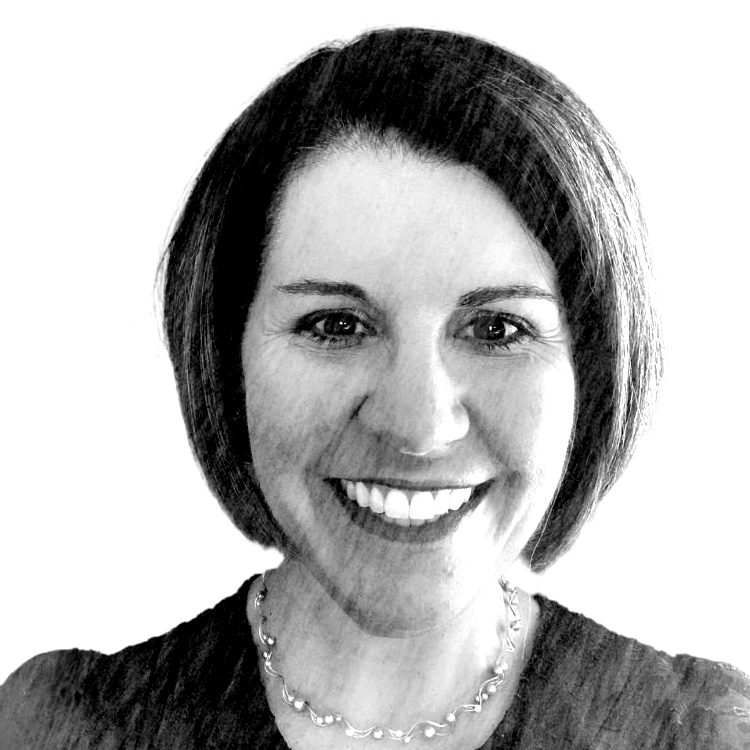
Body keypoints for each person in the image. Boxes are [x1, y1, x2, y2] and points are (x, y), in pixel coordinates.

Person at [1, 26, 748, 750]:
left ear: (596, 370)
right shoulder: (63, 727)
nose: (419, 425)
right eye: (335, 326)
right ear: (225, 357)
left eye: (497, 330)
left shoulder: (701, 732)